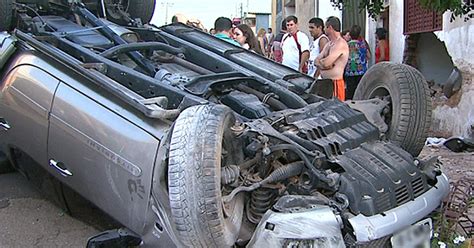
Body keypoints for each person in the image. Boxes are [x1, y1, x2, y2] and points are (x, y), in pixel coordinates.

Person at [315, 16, 349, 101]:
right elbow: (316, 61)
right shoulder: (329, 44)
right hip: (325, 83)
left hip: (335, 83)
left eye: (325, 27)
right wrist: (325, 65)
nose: (324, 29)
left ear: (330, 27)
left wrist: (323, 64)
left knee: (335, 111)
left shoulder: (340, 44)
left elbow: (326, 62)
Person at [344, 25, 371, 99]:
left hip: (349, 71)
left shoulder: (346, 45)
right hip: (361, 71)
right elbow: (369, 56)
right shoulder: (362, 45)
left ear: (350, 35)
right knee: (360, 90)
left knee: (350, 91)